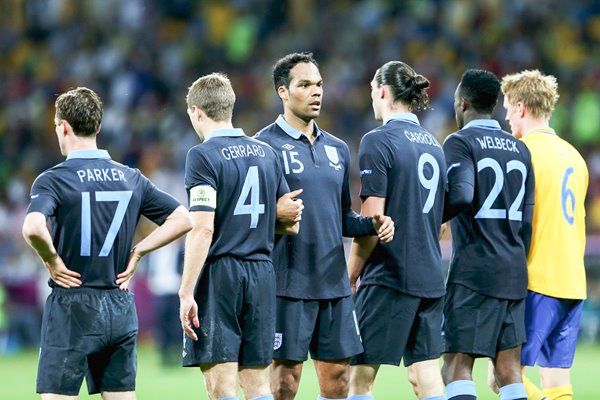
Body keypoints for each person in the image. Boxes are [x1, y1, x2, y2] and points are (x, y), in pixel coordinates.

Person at [22, 87, 193, 399]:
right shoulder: (131, 177)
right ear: (98, 127)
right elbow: (184, 219)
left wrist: (51, 261)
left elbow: (33, 227)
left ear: (62, 126)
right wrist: (140, 250)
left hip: (72, 305)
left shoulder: (54, 179)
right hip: (119, 304)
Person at [255, 52, 394, 400]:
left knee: (338, 382)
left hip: (332, 284)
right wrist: (273, 216)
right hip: (286, 283)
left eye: (319, 84)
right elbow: (246, 218)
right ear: (283, 92)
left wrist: (371, 224)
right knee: (284, 382)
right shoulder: (263, 146)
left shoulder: (338, 148)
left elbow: (342, 216)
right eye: (305, 85)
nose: (316, 92)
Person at [178, 73, 302, 400]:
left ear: (196, 111)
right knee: (260, 387)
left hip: (222, 275)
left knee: (221, 388)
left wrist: (186, 291)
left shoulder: (202, 156)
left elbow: (203, 227)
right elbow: (292, 223)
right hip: (262, 273)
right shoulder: (267, 153)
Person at [346, 61, 447, 400]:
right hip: (430, 276)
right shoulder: (434, 144)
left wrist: (350, 274)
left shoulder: (379, 140)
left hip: (389, 274)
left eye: (373, 92)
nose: (372, 99)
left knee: (356, 377)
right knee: (425, 375)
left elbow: (372, 221)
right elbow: (440, 220)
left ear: (383, 91)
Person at [441, 69, 535, 400]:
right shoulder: (520, 150)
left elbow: (462, 195)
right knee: (508, 370)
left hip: (474, 272)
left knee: (456, 365)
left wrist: (435, 218)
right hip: (512, 271)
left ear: (463, 103)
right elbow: (527, 220)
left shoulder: (459, 142)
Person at [495, 69, 588, 400]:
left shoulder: (521, 153)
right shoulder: (575, 157)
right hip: (573, 283)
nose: (506, 116)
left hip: (538, 280)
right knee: (558, 383)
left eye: (507, 108)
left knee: (503, 377)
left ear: (520, 108)